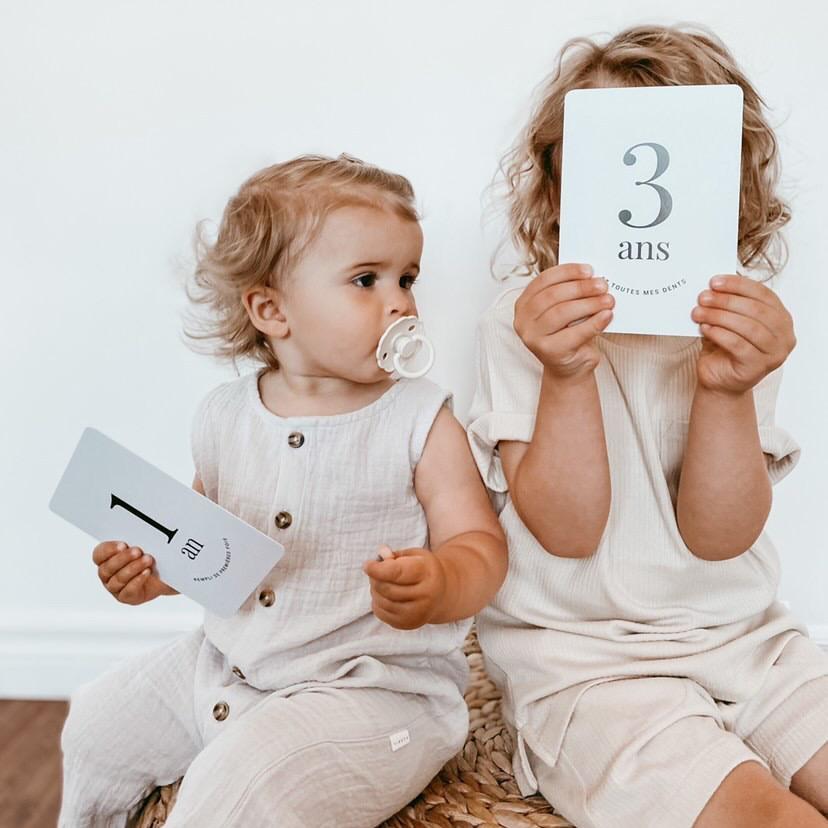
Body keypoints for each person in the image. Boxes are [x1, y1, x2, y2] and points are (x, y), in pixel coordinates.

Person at [59, 153, 508, 828]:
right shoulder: (223, 417)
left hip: (372, 695)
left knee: (238, 790)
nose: (401, 302)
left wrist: (442, 581)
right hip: (228, 666)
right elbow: (209, 553)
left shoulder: (420, 419)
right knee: (95, 724)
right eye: (366, 279)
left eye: (406, 278)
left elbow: (482, 546)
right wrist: (155, 575)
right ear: (272, 309)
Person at [466, 25, 828, 828]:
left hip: (748, 639)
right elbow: (565, 530)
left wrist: (730, 391)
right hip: (586, 665)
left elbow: (720, 533)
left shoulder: (738, 322)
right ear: (557, 192)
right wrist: (565, 373)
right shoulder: (521, 323)